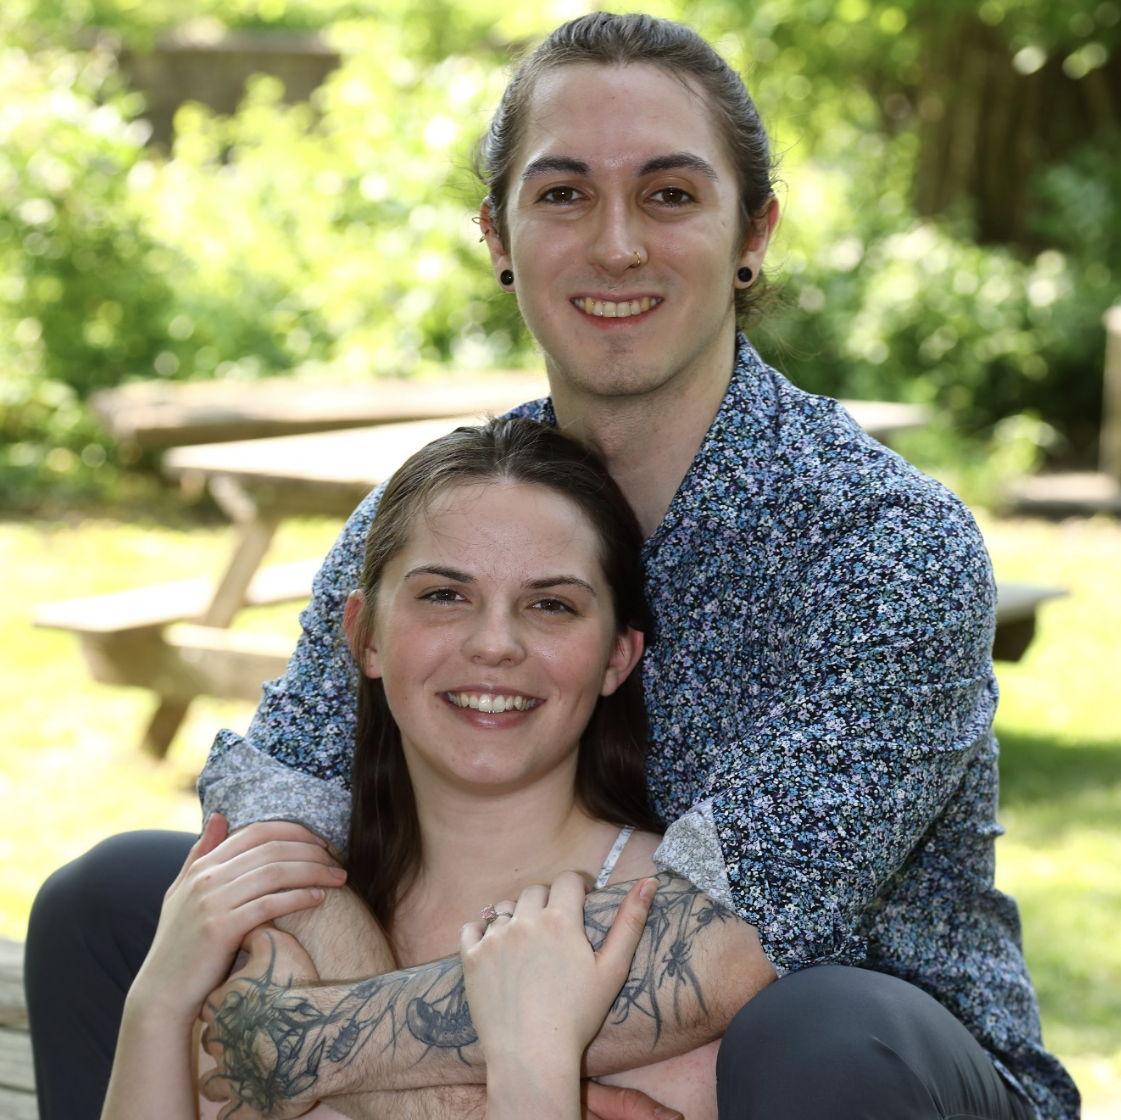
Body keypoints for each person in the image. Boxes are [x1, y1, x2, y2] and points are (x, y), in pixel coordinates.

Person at [26, 11, 1079, 1120]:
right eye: (564, 193)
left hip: (823, 1068)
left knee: (818, 1035)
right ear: (497, 233)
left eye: (668, 194)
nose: (615, 245)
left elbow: (730, 946)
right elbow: (280, 803)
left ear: (752, 233)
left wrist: (307, 1043)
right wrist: (426, 1069)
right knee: (118, 901)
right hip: (511, 1013)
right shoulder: (436, 512)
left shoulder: (886, 546)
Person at [103, 418, 732, 1120]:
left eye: (551, 605)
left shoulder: (663, 951)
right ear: (364, 635)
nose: (495, 644)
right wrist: (157, 1002)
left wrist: (532, 1061)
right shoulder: (275, 920)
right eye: (444, 595)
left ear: (617, 657)